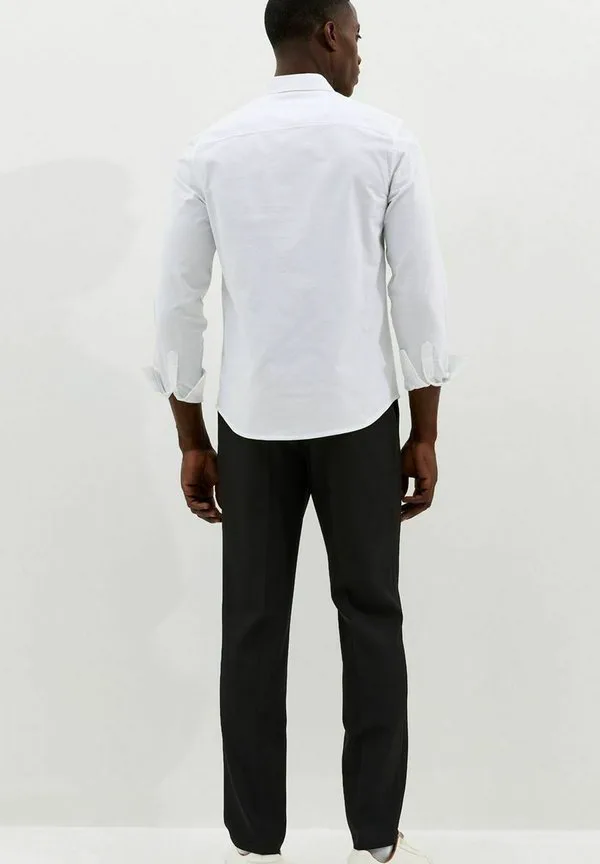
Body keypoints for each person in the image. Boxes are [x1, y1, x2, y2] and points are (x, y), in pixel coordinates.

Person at [143, 1, 465, 862]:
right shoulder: (385, 140)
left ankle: (255, 842)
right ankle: (376, 838)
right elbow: (418, 293)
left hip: (252, 422)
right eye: (356, 35)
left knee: (251, 628)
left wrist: (191, 436)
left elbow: (177, 304)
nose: (360, 52)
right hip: (359, 417)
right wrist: (425, 429)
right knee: (372, 618)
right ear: (326, 32)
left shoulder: (213, 150)